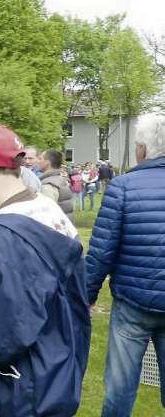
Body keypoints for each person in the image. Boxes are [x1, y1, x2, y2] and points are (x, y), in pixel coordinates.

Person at [0, 124, 90, 417]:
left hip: (26, 383)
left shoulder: (4, 234)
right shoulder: (47, 210)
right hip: (59, 365)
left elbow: (9, 323)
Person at [85, 114, 165, 416]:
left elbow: (101, 252)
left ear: (141, 149)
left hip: (132, 306)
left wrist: (87, 295)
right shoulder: (123, 186)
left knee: (120, 390)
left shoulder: (123, 187)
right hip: (133, 302)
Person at [37, 148, 74, 218]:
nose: (38, 161)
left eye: (40, 159)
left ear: (47, 162)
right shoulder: (59, 179)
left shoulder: (48, 184)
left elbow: (47, 214)